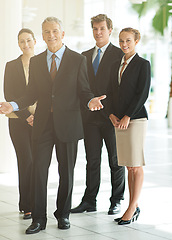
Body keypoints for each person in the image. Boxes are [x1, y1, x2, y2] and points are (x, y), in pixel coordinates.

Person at [0, 17, 106, 234]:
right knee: (38, 172)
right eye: (46, 32)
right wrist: (13, 105)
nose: (51, 35)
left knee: (67, 173)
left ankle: (62, 215)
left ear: (62, 34)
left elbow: (83, 90)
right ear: (42, 36)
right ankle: (38, 219)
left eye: (54, 31)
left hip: (68, 125)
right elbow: (31, 94)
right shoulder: (36, 61)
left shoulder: (77, 59)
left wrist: (90, 100)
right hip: (43, 125)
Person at [71, 14, 125, 216]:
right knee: (92, 161)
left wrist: (112, 111)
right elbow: (80, 87)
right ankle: (89, 201)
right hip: (90, 119)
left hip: (112, 118)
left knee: (115, 160)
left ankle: (116, 200)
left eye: (102, 28)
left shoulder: (119, 54)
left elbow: (121, 88)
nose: (98, 32)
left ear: (110, 30)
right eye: (95, 28)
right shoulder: (83, 56)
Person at [107, 27, 151, 225]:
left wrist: (127, 116)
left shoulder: (143, 64)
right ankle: (132, 206)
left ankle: (132, 207)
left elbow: (142, 94)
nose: (124, 44)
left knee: (136, 165)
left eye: (128, 41)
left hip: (136, 119)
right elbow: (110, 91)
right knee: (128, 166)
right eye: (121, 41)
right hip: (119, 119)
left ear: (136, 41)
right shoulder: (116, 64)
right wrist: (111, 114)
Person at [4, 28, 36, 220]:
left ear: (35, 41)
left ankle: (34, 201)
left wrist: (37, 116)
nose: (26, 44)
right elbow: (10, 96)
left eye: (29, 40)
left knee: (37, 162)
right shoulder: (11, 66)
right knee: (26, 161)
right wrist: (26, 116)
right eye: (22, 41)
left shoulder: (42, 63)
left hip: (39, 120)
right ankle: (27, 205)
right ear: (18, 44)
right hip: (18, 121)